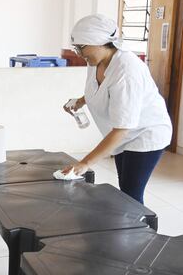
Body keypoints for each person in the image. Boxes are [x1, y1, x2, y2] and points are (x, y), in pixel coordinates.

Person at [62, 14, 172, 205]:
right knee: (125, 189)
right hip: (124, 134)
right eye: (76, 47)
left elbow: (123, 128)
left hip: (145, 133)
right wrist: (80, 102)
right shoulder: (95, 60)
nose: (79, 53)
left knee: (131, 195)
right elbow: (100, 89)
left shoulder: (127, 70)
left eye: (81, 47)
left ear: (100, 42)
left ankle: (143, 233)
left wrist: (85, 163)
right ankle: (129, 230)